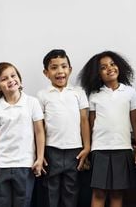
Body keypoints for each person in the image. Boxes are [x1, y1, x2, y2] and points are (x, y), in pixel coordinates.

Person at [78, 50, 136, 207]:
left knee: (117, 193)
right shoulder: (94, 95)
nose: (110, 68)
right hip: (99, 150)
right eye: (103, 67)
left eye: (112, 64)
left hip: (123, 148)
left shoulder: (130, 92)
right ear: (98, 74)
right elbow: (91, 123)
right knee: (98, 192)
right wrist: (87, 148)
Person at [36, 49, 90, 207]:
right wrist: (40, 153)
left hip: (75, 150)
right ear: (46, 73)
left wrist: (86, 147)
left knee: (71, 189)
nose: (60, 71)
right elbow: (39, 126)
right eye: (54, 67)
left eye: (64, 66)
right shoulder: (42, 95)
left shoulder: (78, 93)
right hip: (51, 149)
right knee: (50, 189)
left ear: (70, 69)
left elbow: (84, 120)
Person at [0, 62, 45, 207]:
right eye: (4, 79)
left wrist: (40, 158)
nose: (10, 80)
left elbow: (39, 132)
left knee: (23, 202)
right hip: (1, 166)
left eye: (13, 75)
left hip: (25, 165)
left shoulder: (32, 103)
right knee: (2, 203)